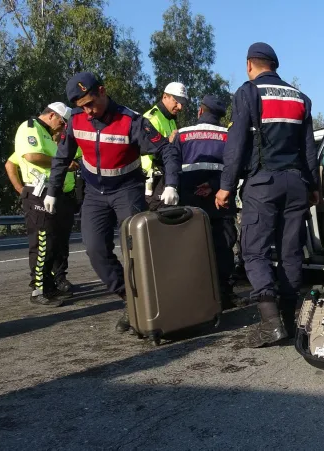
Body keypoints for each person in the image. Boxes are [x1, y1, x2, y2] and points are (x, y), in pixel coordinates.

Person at [44, 72, 181, 332]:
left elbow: (167, 150)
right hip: (94, 194)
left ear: (103, 91)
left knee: (136, 252)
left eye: (90, 104)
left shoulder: (131, 121)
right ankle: (130, 300)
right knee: (95, 249)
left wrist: (172, 184)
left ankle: (150, 306)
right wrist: (52, 190)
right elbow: (62, 158)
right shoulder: (76, 120)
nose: (88, 111)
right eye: (82, 106)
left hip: (127, 190)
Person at [215, 42, 320, 348]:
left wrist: (226, 185)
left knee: (254, 251)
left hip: (263, 183)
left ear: (250, 65)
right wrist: (314, 187)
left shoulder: (248, 92)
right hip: (297, 184)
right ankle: (289, 319)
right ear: (275, 66)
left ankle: (271, 323)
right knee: (291, 253)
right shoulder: (300, 98)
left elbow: (236, 145)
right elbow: (309, 150)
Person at [5, 102, 79, 307]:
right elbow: (31, 156)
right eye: (62, 123)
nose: (63, 128)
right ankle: (38, 290)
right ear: (52, 115)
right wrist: (21, 189)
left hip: (54, 194)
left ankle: (49, 286)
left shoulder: (47, 135)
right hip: (39, 193)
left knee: (53, 243)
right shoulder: (30, 128)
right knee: (42, 242)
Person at [171, 94, 237, 310]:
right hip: (220, 201)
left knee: (191, 248)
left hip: (189, 202)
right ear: (220, 116)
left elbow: (172, 165)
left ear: (200, 111)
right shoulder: (228, 137)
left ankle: (196, 295)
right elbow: (235, 168)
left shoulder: (182, 135)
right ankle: (225, 295)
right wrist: (213, 184)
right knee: (223, 247)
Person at [141, 82, 187, 210]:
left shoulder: (170, 119)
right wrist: (169, 141)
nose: (180, 107)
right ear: (165, 97)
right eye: (176, 101)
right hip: (152, 182)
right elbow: (149, 147)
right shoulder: (151, 118)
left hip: (165, 179)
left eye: (182, 103)